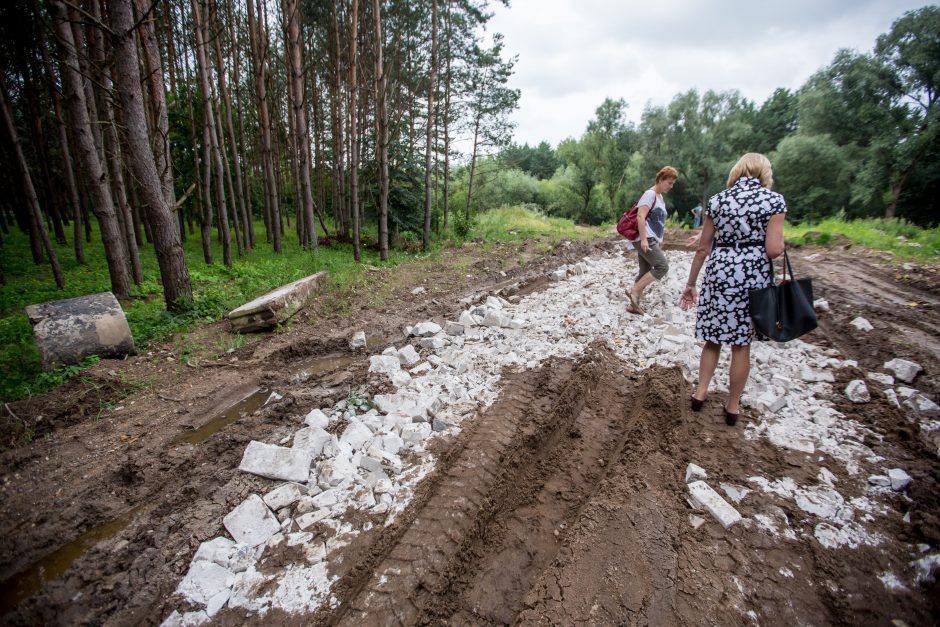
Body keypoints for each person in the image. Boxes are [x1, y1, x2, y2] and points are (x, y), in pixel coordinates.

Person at [678, 153, 786, 426]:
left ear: (737, 171)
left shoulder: (718, 200)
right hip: (753, 276)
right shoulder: (774, 201)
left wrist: (691, 284)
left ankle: (700, 392)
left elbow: (703, 248)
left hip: (720, 271)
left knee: (712, 337)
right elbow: (774, 250)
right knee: (741, 345)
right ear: (763, 172)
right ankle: (733, 405)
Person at [626, 165, 679, 314]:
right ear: (661, 179)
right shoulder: (649, 194)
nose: (671, 186)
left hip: (650, 238)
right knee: (662, 266)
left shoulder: (659, 197)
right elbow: (640, 216)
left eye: (672, 183)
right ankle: (635, 291)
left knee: (645, 270)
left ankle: (633, 305)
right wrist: (643, 240)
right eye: (669, 182)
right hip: (645, 238)